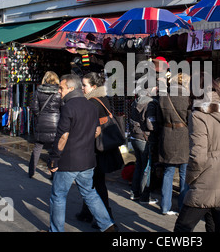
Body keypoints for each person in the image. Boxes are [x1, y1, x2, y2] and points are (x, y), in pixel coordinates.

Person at [48, 74, 116, 232]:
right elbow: (97, 130)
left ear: (71, 89)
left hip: (69, 161)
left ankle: (56, 230)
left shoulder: (68, 107)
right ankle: (107, 225)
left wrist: (54, 159)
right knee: (90, 193)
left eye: (61, 88)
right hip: (87, 160)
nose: (59, 91)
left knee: (58, 196)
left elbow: (63, 135)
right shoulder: (91, 106)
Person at [174, 76, 220, 232]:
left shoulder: (198, 115)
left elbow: (198, 155)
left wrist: (191, 177)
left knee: (182, 227)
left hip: (206, 177)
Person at [76, 72, 124, 225]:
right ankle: (88, 212)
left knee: (95, 183)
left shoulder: (91, 103)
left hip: (95, 149)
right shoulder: (103, 99)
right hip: (102, 148)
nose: (82, 88)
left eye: (85, 85)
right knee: (94, 182)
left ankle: (104, 217)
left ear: (94, 86)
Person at [159, 72, 191, 215]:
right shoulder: (187, 97)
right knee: (184, 172)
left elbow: (160, 118)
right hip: (183, 135)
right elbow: (191, 119)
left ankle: (165, 207)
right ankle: (182, 206)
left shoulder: (163, 96)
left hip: (167, 134)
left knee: (168, 171)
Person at [129, 76, 162, 204]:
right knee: (146, 168)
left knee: (139, 165)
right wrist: (157, 129)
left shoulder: (136, 100)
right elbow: (150, 123)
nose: (157, 89)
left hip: (135, 136)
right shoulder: (150, 103)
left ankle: (134, 192)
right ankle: (144, 196)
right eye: (156, 87)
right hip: (144, 138)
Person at [29, 71, 61, 178]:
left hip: (42, 121)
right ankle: (53, 173)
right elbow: (63, 107)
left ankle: (31, 171)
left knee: (37, 147)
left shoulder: (38, 90)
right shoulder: (59, 92)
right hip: (56, 122)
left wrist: (39, 115)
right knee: (53, 149)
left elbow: (34, 107)